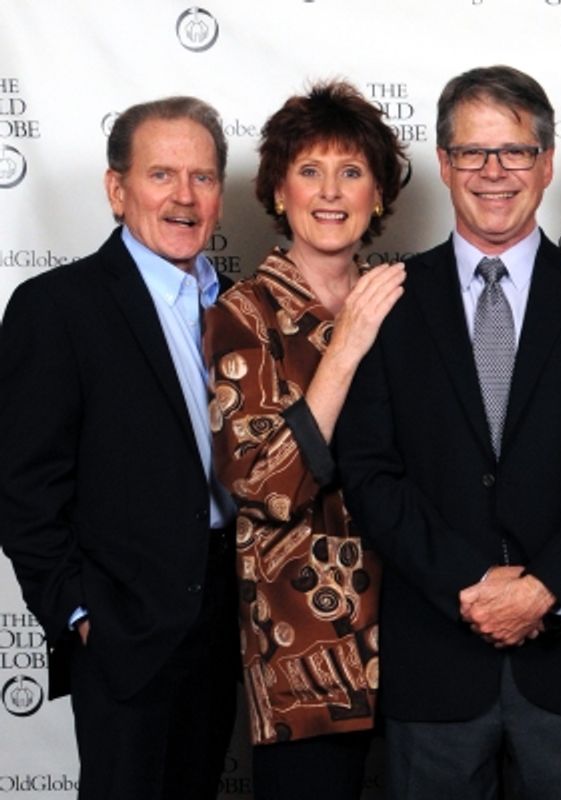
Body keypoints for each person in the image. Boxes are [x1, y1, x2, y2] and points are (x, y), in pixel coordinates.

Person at [336, 65, 561, 800]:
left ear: (546, 164)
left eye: (514, 151)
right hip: (436, 673)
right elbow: (370, 474)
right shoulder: (390, 302)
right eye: (472, 153)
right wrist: (472, 585)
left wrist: (547, 588)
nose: (493, 172)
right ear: (444, 164)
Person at [0, 97, 238, 799]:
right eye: (162, 174)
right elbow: (21, 486)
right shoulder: (57, 307)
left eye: (202, 177)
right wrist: (79, 614)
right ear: (116, 189)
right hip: (124, 627)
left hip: (226, 617)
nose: (185, 197)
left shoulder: (236, 305)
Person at [204, 81, 406, 800]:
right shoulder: (245, 311)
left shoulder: (403, 300)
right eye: (309, 171)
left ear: (378, 194)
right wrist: (345, 347)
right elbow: (263, 482)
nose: (331, 191)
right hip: (304, 654)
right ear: (278, 192)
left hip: (422, 635)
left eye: (351, 171)